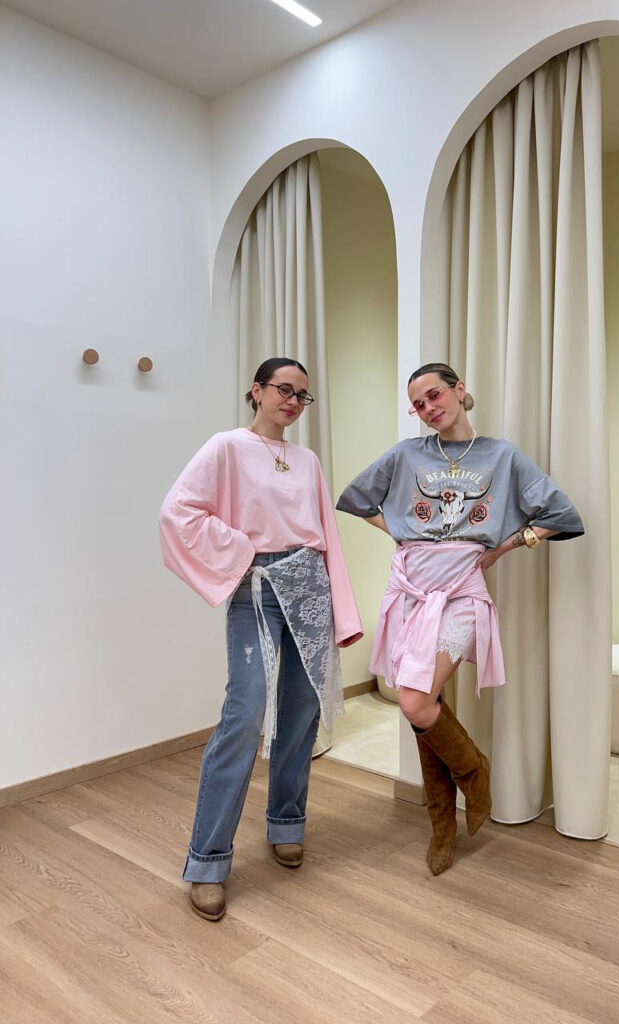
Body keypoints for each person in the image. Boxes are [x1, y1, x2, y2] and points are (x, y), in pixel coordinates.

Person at [336, 362, 583, 875]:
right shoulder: (407, 454)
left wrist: (507, 545)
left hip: (460, 593)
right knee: (425, 704)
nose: (428, 408)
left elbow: (561, 515)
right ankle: (442, 828)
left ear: (459, 390)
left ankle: (474, 772)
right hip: (409, 590)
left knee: (414, 700)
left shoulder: (502, 456)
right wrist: (400, 529)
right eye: (418, 404)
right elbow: (354, 498)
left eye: (434, 395)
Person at [159, 357, 362, 920]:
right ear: (257, 390)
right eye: (283, 390)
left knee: (301, 709)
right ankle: (207, 860)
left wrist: (343, 612)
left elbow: (327, 536)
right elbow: (179, 512)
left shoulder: (307, 459)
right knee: (245, 714)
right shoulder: (226, 447)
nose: (293, 401)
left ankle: (286, 823)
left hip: (310, 582)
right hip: (257, 586)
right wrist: (243, 550)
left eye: (302, 395)